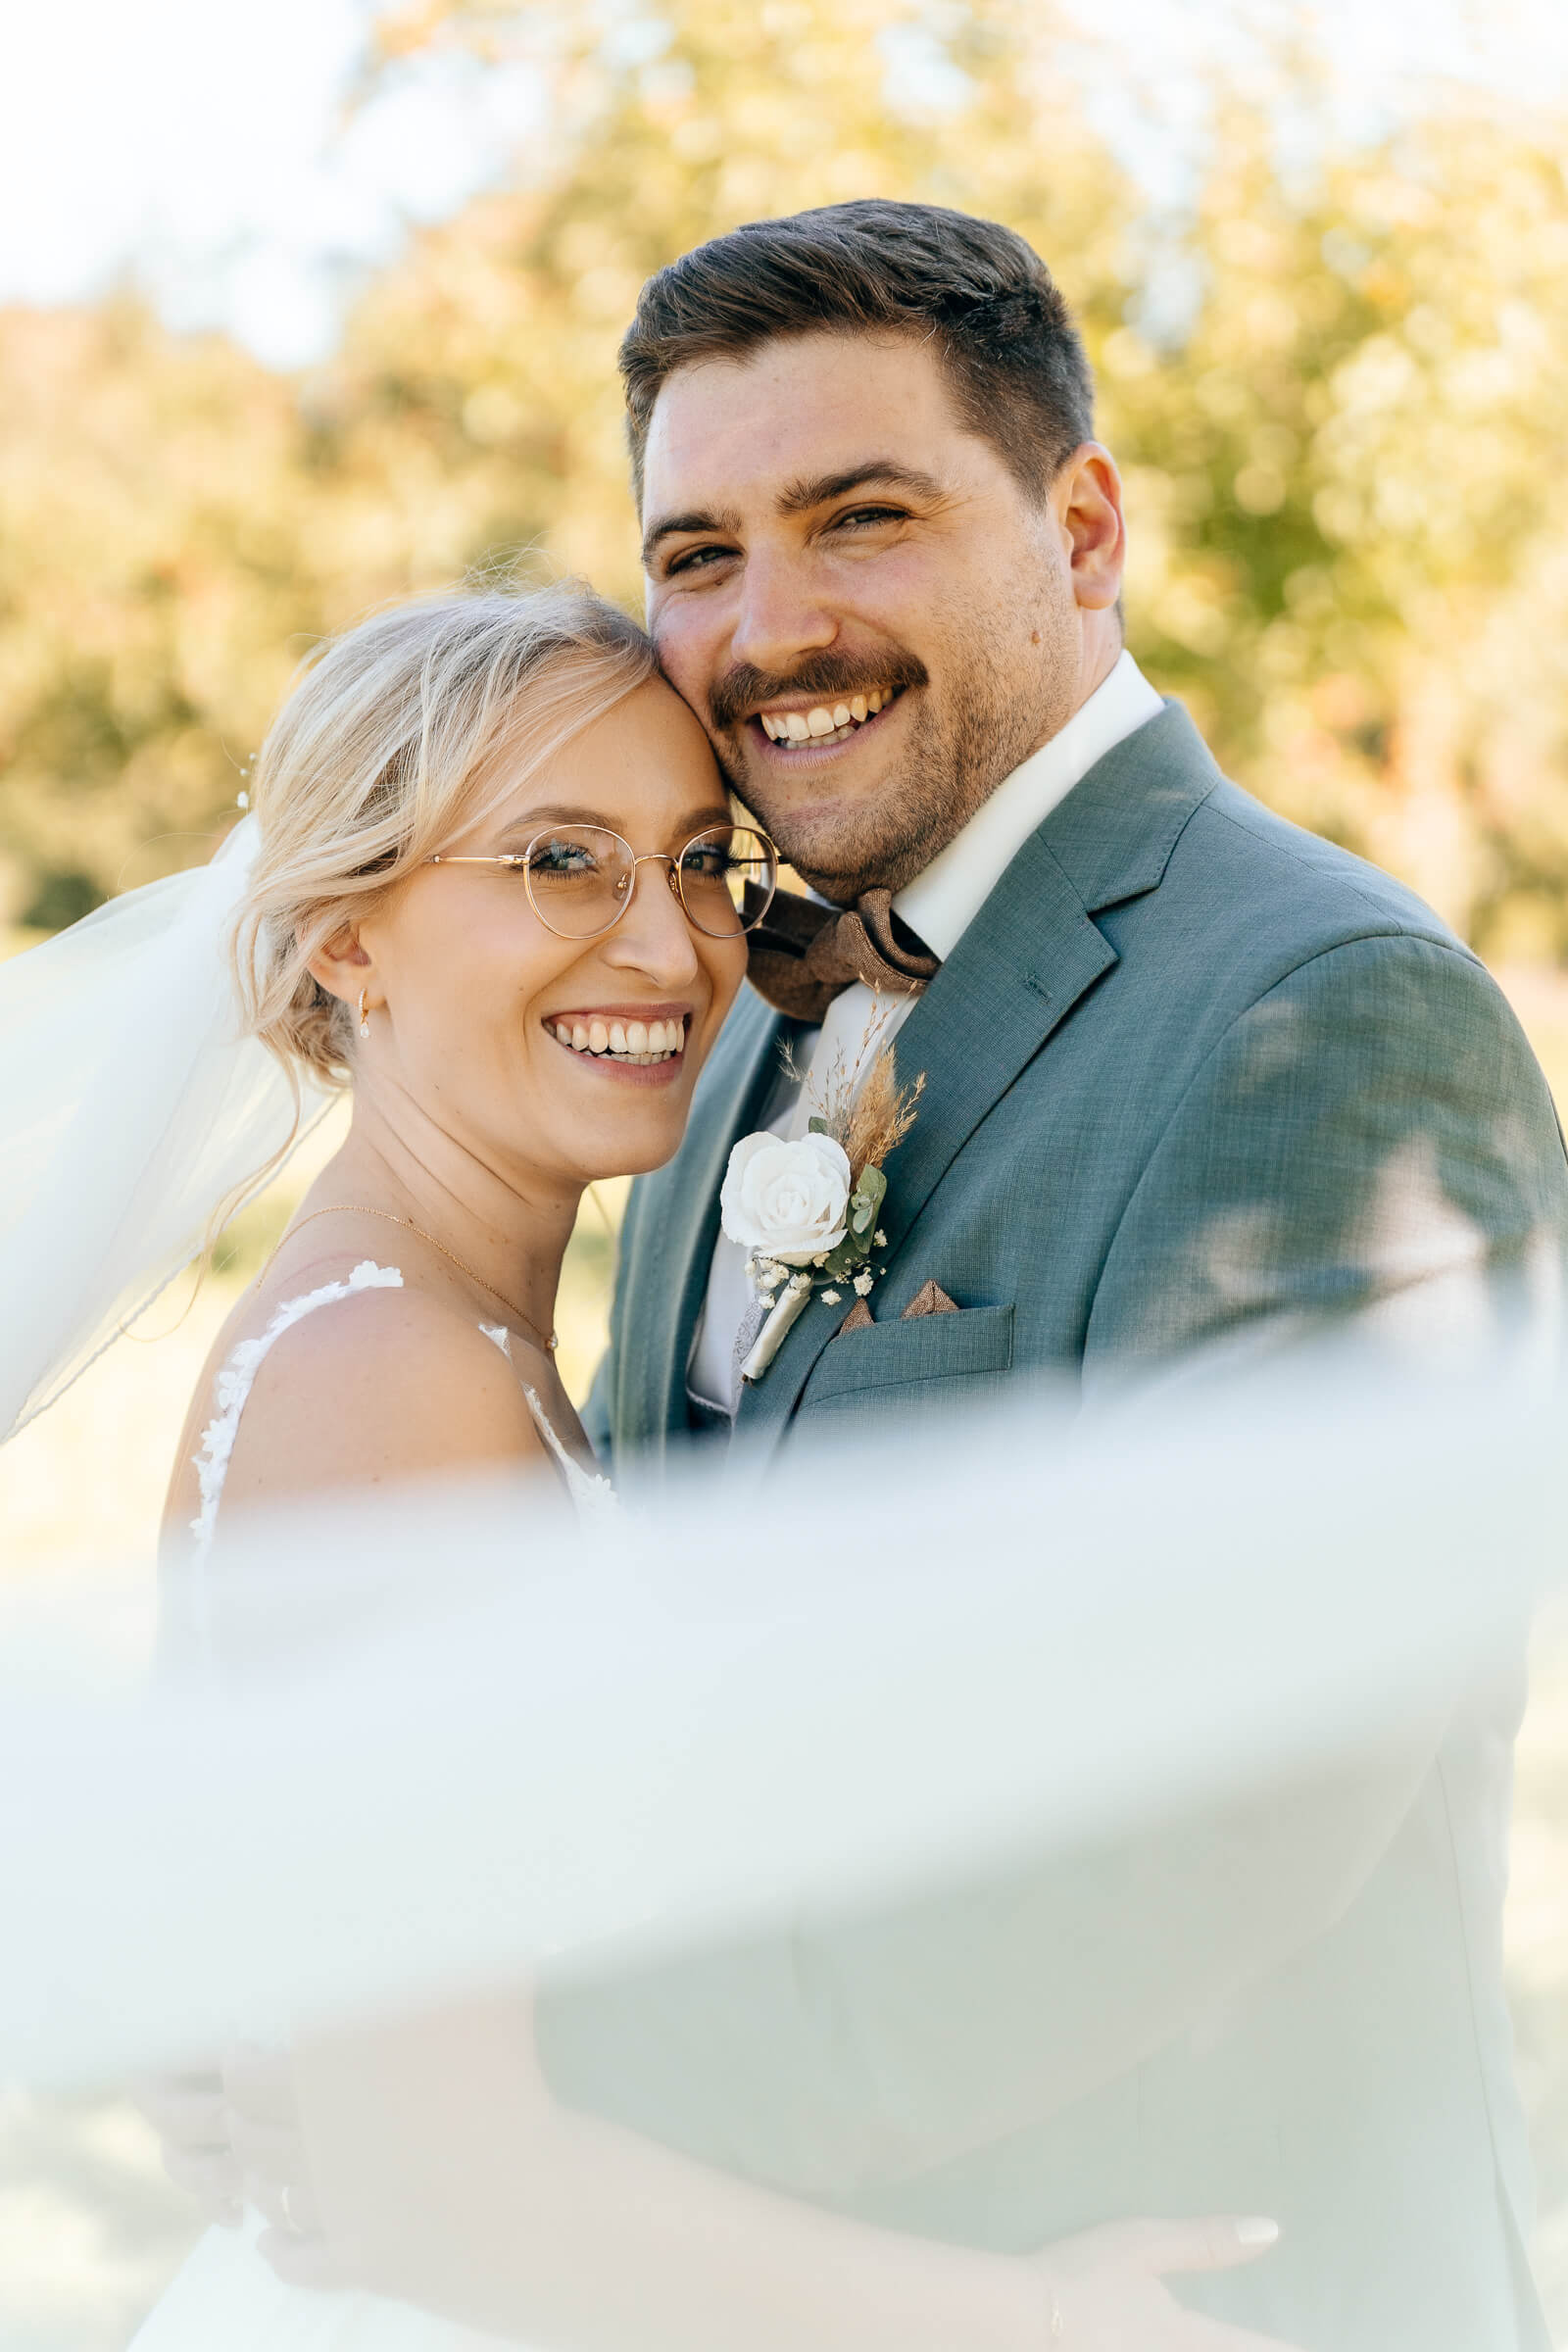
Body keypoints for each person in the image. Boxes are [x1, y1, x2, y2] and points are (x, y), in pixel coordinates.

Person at [549, 201, 1568, 2349]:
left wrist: (495, 2096)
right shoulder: (724, 1021)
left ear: (1082, 528)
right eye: (698, 554)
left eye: (862, 517)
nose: (771, 629)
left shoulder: (1324, 1015)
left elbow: (1206, 1815)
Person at [118, 580, 1300, 2351]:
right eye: (560, 863)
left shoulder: (455, 1342)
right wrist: (1041, 2322)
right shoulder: (389, 1386)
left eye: (697, 863)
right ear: (347, 937)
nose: (671, 953)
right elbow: (434, 2188)